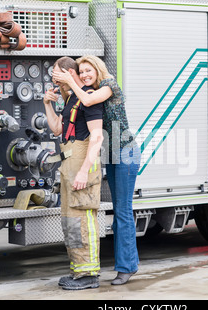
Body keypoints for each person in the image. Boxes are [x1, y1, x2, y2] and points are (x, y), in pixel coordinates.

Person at [52, 55, 141, 285]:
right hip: (110, 154)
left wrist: (71, 80)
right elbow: (77, 103)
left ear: (98, 68)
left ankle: (127, 267)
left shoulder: (108, 86)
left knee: (122, 210)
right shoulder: (88, 89)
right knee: (118, 211)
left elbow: (88, 102)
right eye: (80, 71)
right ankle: (124, 264)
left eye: (88, 70)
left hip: (124, 152)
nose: (84, 75)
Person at [43, 56, 104, 290]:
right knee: (71, 220)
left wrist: (83, 172)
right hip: (69, 164)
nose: (54, 79)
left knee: (83, 219)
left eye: (57, 74)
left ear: (70, 72)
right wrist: (47, 103)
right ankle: (79, 271)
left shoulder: (89, 99)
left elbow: (96, 137)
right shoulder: (72, 99)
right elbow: (58, 128)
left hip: (82, 165)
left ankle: (89, 274)